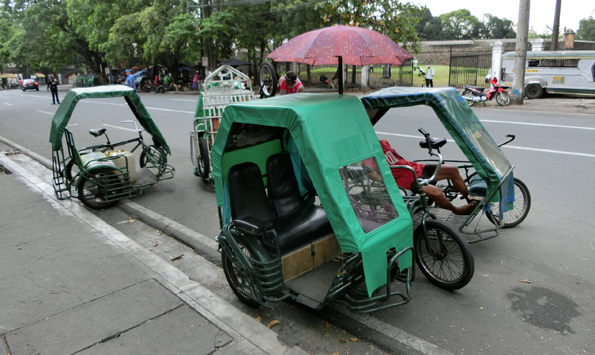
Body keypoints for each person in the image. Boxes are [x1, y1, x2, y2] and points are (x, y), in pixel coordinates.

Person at [372, 140, 478, 215]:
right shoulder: (369, 155)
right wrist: (390, 181)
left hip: (415, 167)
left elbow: (397, 158)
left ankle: (469, 200)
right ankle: (457, 210)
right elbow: (371, 174)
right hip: (406, 179)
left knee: (452, 169)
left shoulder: (383, 143)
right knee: (436, 193)